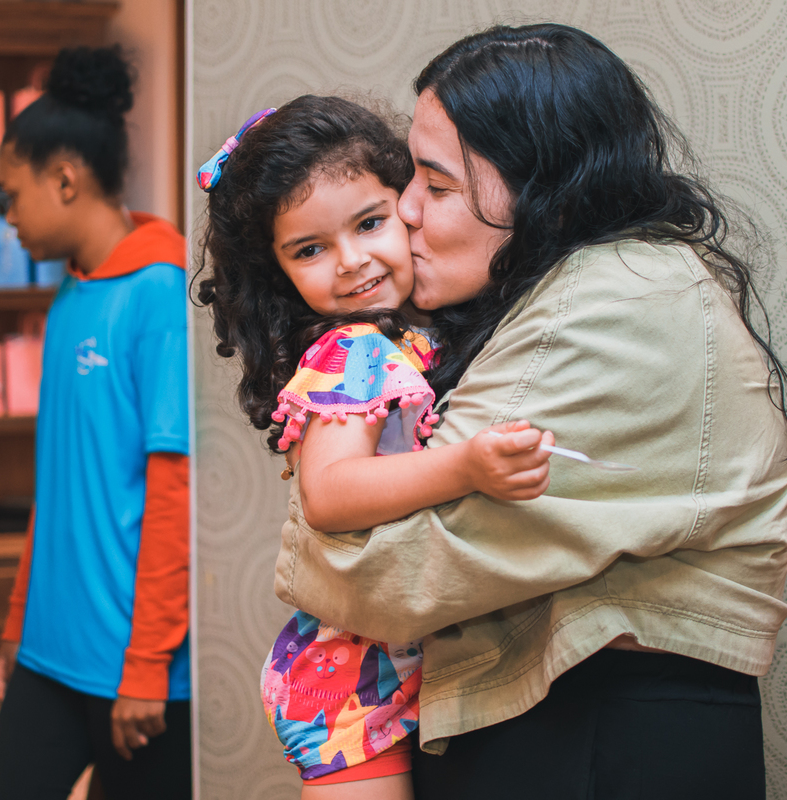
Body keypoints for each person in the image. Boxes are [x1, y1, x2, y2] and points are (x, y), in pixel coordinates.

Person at [272, 24, 787, 800]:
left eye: (436, 185)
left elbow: (381, 578)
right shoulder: (592, 284)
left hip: (604, 736)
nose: (405, 209)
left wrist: (313, 528)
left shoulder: (607, 306)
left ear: (546, 196)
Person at [197, 95, 553, 798]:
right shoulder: (353, 349)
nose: (352, 261)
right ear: (278, 272)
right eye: (310, 250)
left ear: (409, 205)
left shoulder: (412, 336)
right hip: (352, 691)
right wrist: (467, 466)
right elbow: (330, 495)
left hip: (407, 671)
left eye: (369, 223)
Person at [0, 45, 192, 800]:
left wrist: (147, 665)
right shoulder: (71, 295)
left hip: (135, 670)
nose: (7, 218)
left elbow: (174, 494)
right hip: (48, 652)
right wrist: (17, 621)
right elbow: (59, 483)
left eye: (12, 196)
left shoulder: (160, 293)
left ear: (64, 180)